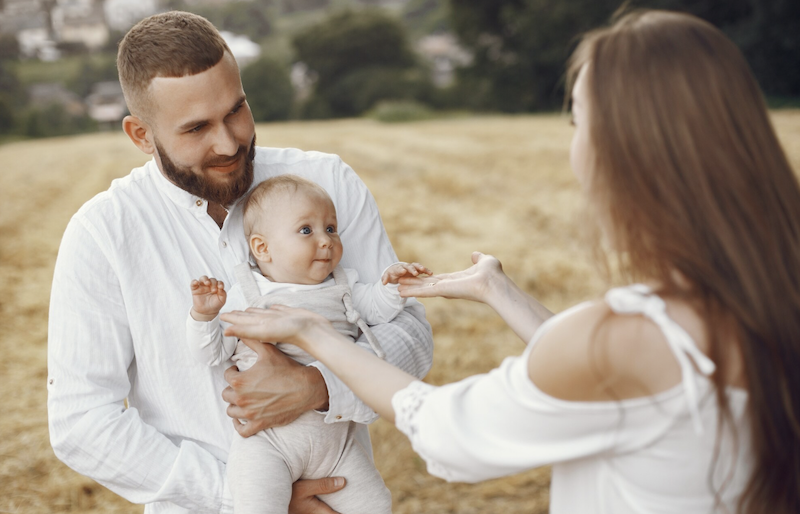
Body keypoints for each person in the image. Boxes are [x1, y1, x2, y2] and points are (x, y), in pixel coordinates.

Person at [220, 10, 800, 514]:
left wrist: (311, 332)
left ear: (621, 151)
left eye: (577, 120)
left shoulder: (624, 335)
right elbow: (623, 378)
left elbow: (447, 433)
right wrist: (498, 291)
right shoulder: (764, 300)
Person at [46, 11, 433, 514]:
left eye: (236, 110)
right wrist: (249, 498)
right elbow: (82, 420)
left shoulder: (327, 182)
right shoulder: (103, 233)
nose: (228, 142)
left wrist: (318, 387)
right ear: (141, 135)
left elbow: (412, 339)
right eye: (196, 128)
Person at [187, 174, 430, 513]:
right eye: (307, 231)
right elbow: (210, 354)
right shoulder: (246, 294)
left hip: (338, 447)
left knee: (376, 504)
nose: (326, 240)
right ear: (262, 248)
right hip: (269, 443)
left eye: (331, 228)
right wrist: (204, 317)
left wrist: (392, 287)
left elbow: (377, 310)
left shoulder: (343, 284)